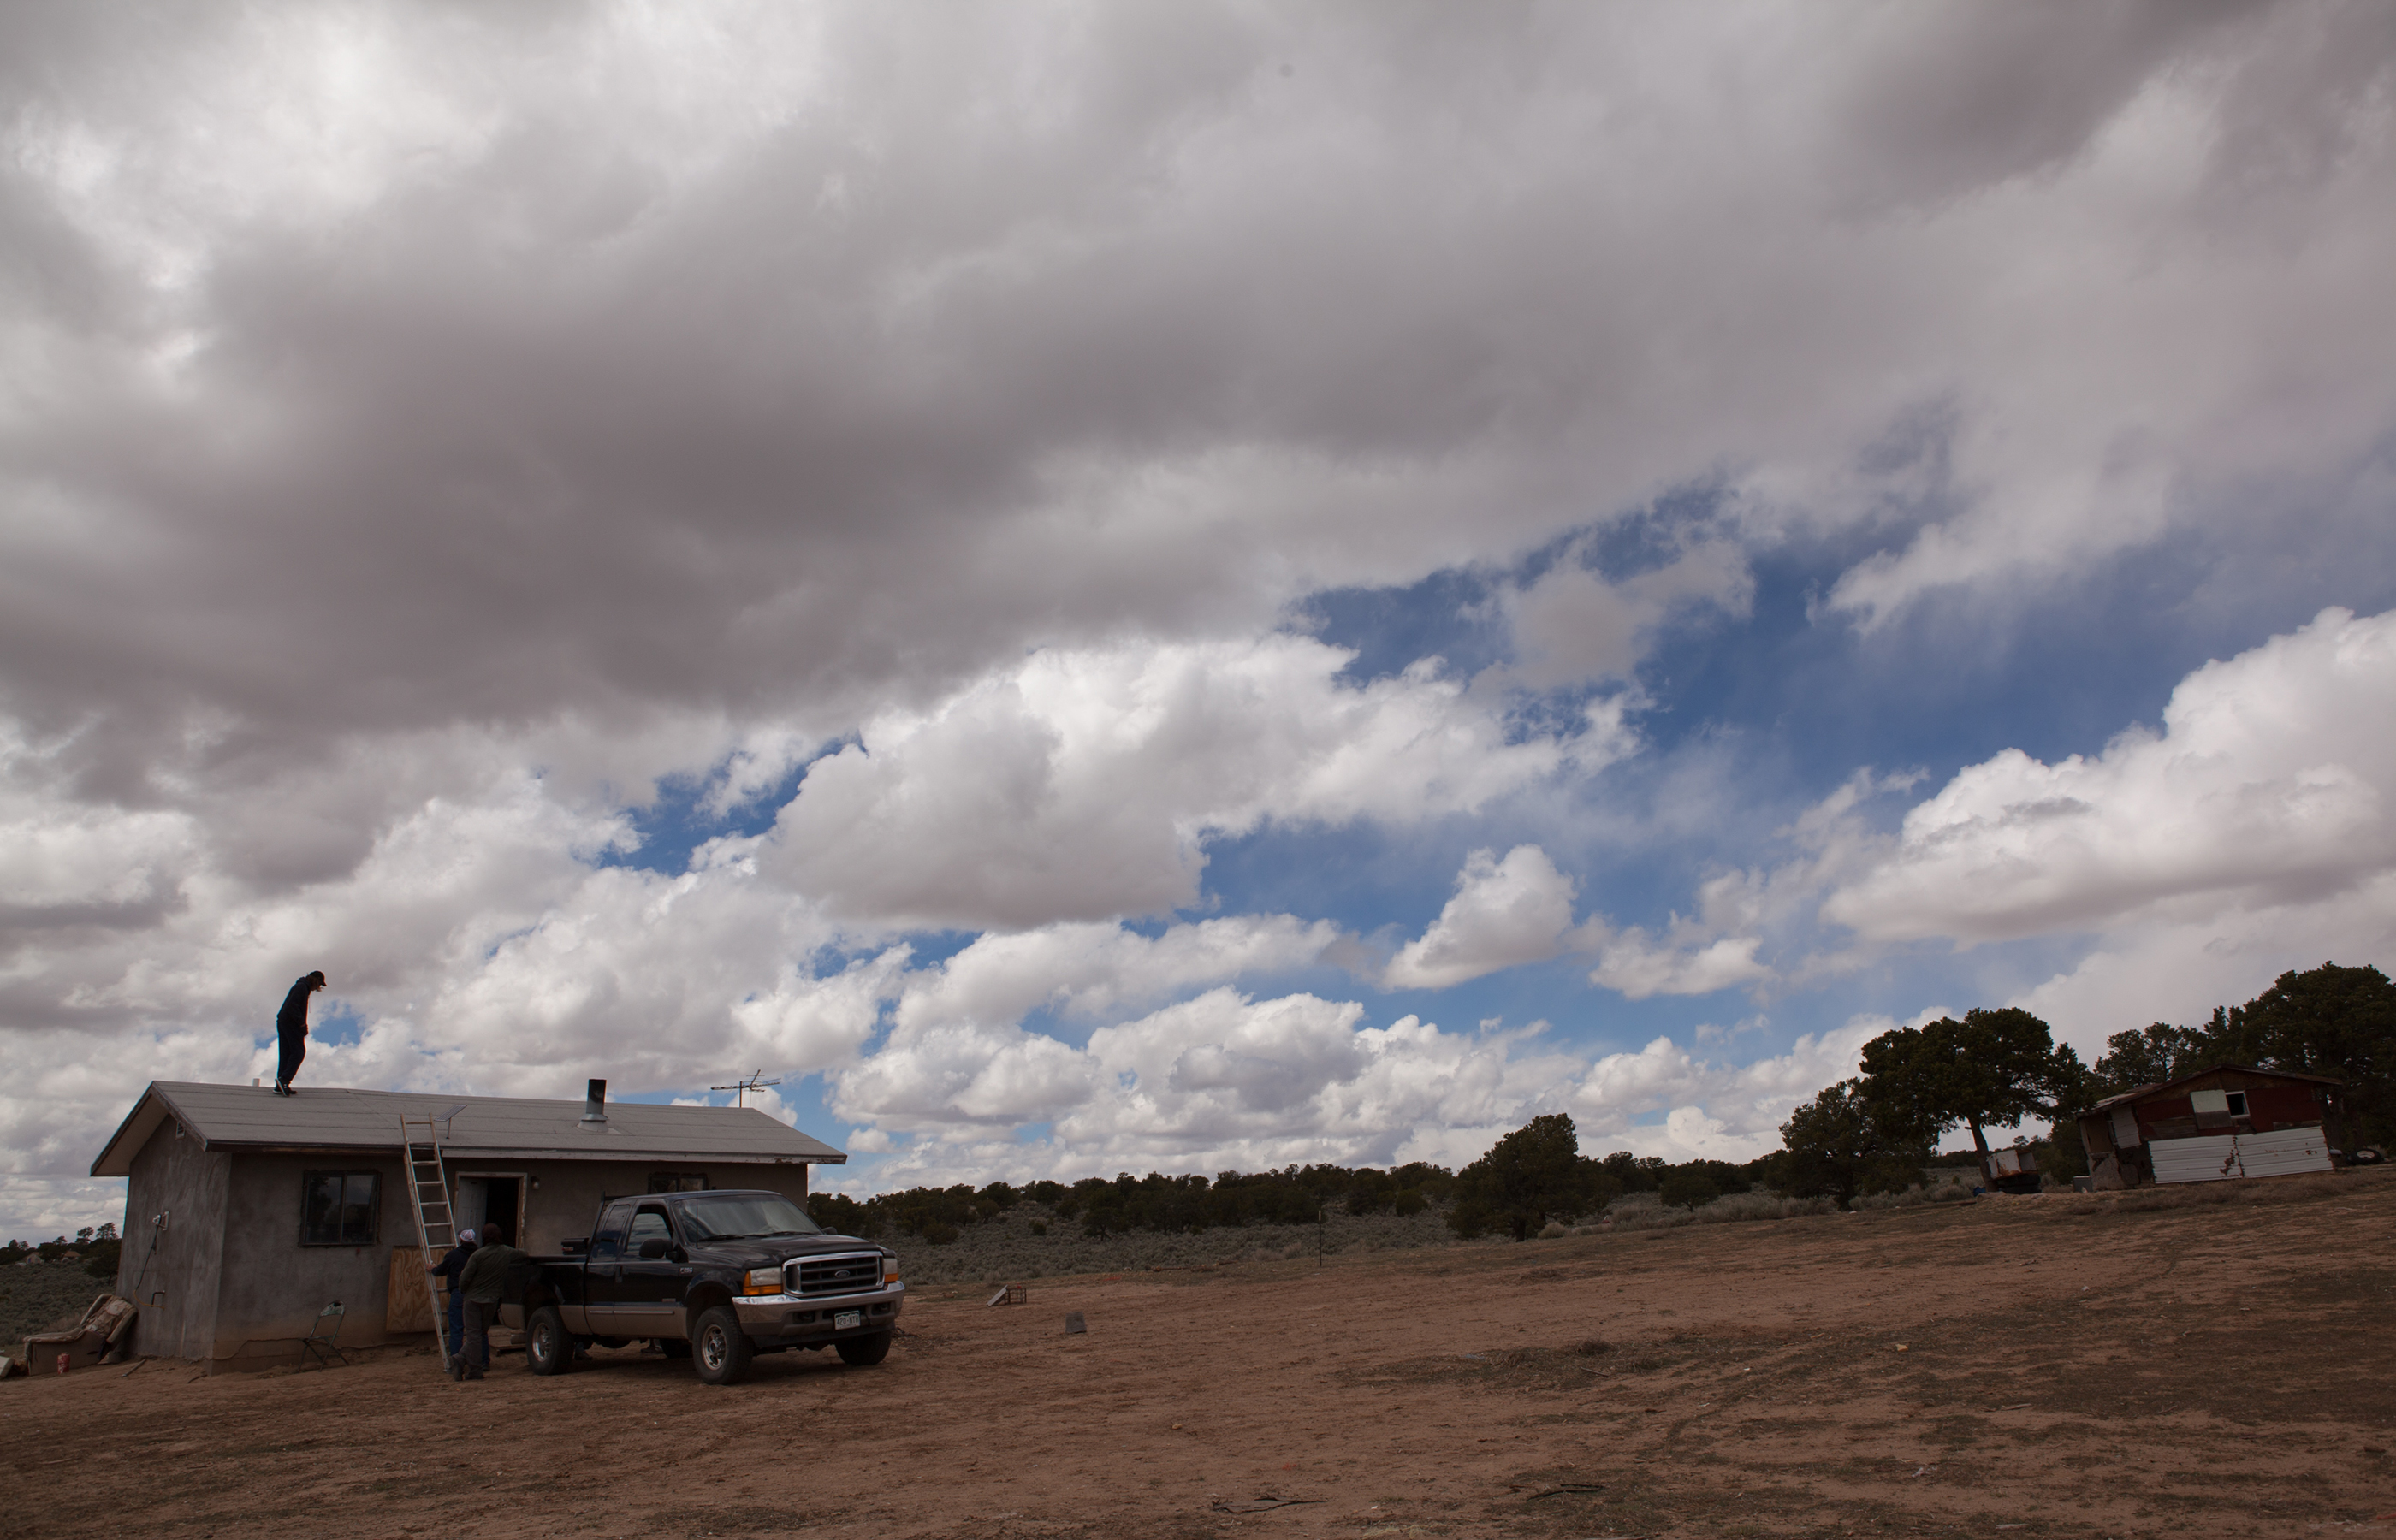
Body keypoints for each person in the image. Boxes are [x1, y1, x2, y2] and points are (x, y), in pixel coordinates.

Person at [450, 1221, 525, 1382]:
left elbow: (464, 1278)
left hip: (473, 1299)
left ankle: (470, 1366)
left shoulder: (478, 1255)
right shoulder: (506, 1252)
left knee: (473, 1335)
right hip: (491, 1300)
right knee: (480, 1334)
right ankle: (463, 1360)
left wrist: (463, 1290)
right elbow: (524, 1255)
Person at [425, 1229, 479, 1371]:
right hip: (477, 1294)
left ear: (460, 1240)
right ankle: (483, 1362)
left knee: (456, 1329)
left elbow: (441, 1271)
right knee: (478, 1330)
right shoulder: (479, 1255)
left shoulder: (453, 1255)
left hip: (459, 1293)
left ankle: (456, 1364)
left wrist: (433, 1268)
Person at [272, 970, 327, 1095]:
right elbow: (293, 1007)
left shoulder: (301, 986)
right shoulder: (302, 987)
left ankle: (280, 1085)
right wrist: (302, 1024)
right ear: (315, 980)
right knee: (298, 1052)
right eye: (319, 984)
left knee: (286, 1053)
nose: (318, 987)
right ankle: (284, 1079)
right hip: (291, 1023)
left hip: (284, 1021)